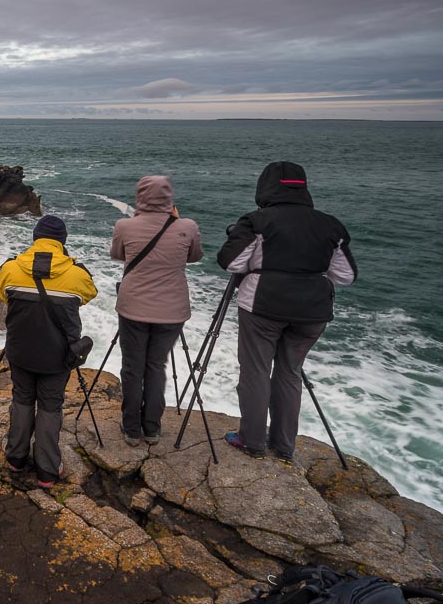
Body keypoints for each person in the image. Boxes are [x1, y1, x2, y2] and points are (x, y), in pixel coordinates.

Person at [218, 162, 356, 462]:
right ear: (303, 188)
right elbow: (346, 276)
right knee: (290, 373)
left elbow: (231, 263)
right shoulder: (330, 225)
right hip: (312, 313)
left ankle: (251, 441)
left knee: (255, 371)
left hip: (263, 307)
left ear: (265, 187)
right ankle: (283, 446)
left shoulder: (257, 221)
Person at [0, 215, 97, 488]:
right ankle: (47, 471)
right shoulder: (77, 274)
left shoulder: (11, 268)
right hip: (58, 356)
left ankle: (15, 458)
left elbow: (2, 293)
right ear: (62, 242)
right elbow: (90, 294)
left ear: (34, 238)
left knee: (22, 401)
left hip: (20, 351)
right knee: (51, 407)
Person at [110, 177, 203, 446]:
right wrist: (176, 221)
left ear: (140, 196)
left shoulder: (125, 225)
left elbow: (118, 254)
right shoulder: (187, 226)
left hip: (132, 307)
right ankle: (151, 428)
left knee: (132, 367)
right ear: (169, 198)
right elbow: (194, 256)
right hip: (172, 310)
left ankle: (130, 429)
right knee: (156, 365)